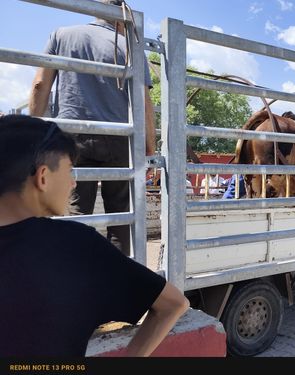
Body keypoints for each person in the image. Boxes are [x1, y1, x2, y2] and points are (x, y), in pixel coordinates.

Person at [0, 115, 189, 356]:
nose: (72, 184)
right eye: (69, 170)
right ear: (43, 177)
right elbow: (174, 304)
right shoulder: (76, 247)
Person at [29, 0, 157, 256]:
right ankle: (114, 281)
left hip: (71, 136)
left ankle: (70, 281)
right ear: (121, 18)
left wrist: (33, 134)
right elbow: (144, 105)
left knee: (73, 213)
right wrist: (149, 149)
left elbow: (40, 86)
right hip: (121, 139)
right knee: (121, 219)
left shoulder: (62, 35)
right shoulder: (130, 48)